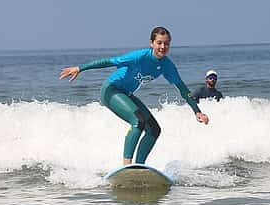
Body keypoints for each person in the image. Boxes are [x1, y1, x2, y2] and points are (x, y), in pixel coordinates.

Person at [59, 26, 209, 165]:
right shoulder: (138, 57)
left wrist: (197, 111)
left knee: (154, 130)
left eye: (167, 44)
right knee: (138, 121)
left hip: (126, 94)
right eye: (159, 43)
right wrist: (80, 68)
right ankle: (127, 166)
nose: (163, 47)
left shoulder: (167, 65)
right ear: (151, 43)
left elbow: (182, 89)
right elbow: (108, 62)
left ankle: (139, 167)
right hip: (111, 90)